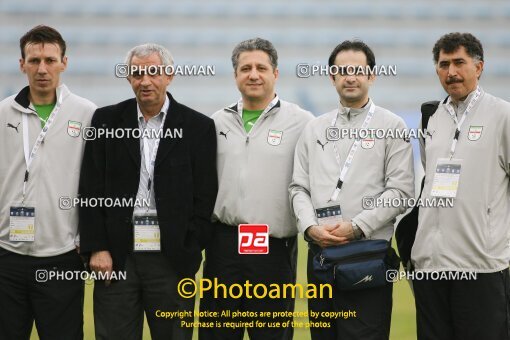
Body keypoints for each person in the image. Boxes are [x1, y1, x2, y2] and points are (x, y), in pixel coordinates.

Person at [78, 43, 218, 340]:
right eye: (137, 74)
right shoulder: (105, 121)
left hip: (172, 258)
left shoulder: (198, 127)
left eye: (153, 73)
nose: (145, 81)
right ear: (128, 78)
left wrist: (190, 248)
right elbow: (89, 187)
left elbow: (206, 196)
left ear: (169, 76)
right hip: (116, 258)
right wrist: (97, 247)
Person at [289, 40, 414, 340]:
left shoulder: (392, 125)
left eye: (358, 70)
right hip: (321, 255)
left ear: (372, 76)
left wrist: (356, 227)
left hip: (367, 256)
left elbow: (400, 190)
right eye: (342, 71)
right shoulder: (314, 128)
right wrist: (309, 228)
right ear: (332, 77)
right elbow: (298, 187)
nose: (350, 77)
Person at [199, 37, 313, 340]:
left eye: (261, 68)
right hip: (223, 245)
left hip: (273, 248)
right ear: (235, 75)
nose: (253, 74)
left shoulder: (302, 122)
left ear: (276, 73)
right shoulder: (216, 122)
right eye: (245, 68)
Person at [411, 32, 510, 340]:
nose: (451, 72)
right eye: (443, 64)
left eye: (459, 63)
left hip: (480, 264)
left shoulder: (502, 115)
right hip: (431, 264)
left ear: (478, 68)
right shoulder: (431, 117)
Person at [0, 25, 96, 339]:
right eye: (34, 60)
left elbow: (96, 183)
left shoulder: (86, 114)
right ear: (22, 64)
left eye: (50, 60)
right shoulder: (2, 113)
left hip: (62, 256)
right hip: (6, 256)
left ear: (64, 63)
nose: (42, 68)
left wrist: (88, 238)